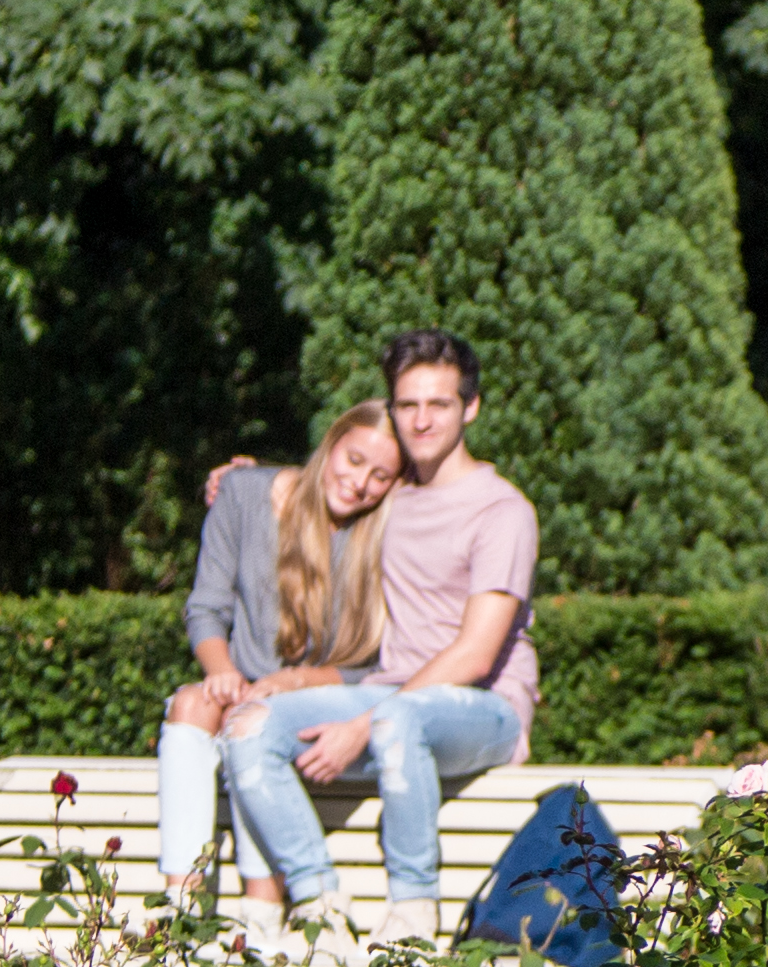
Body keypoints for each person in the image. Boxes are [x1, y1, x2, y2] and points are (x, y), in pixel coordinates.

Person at [219, 330, 541, 920]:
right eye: (407, 404)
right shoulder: (392, 496)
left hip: (482, 708)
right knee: (248, 726)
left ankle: (414, 914)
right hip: (391, 700)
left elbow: (474, 655)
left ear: (471, 408)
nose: (420, 420)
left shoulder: (504, 511)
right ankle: (320, 906)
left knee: (396, 719)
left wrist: (363, 725)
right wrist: (245, 481)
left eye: (438, 404)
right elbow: (334, 479)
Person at [155, 404, 401, 911]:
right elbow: (206, 608)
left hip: (322, 700)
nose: (358, 483)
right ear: (328, 445)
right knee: (191, 706)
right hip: (243, 686)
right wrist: (220, 671)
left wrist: (297, 681)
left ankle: (261, 910)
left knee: (251, 723)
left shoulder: (382, 534)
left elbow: (381, 661)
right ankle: (177, 907)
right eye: (353, 460)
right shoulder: (244, 494)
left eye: (380, 476)